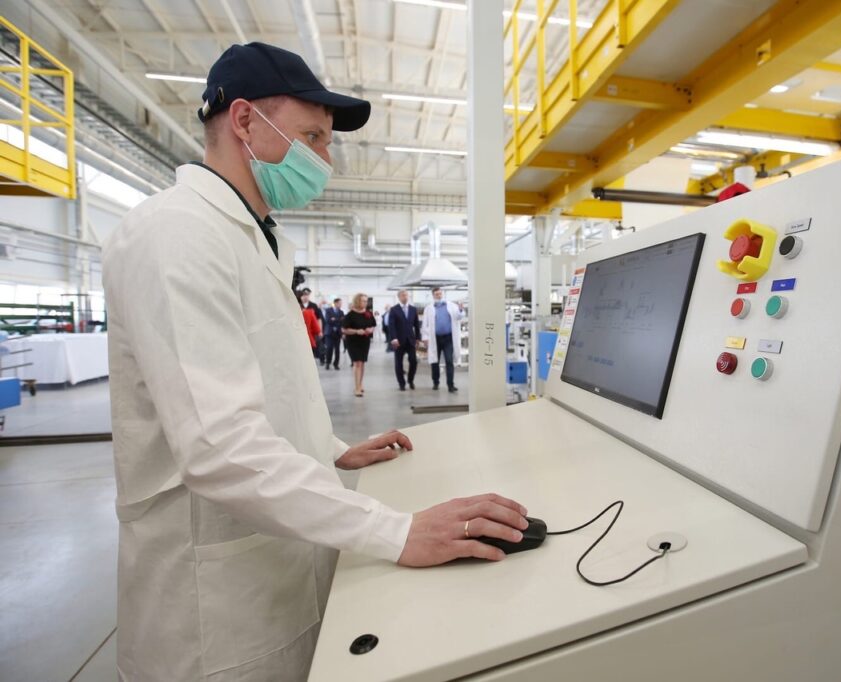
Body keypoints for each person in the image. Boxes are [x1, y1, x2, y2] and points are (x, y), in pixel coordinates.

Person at [101, 42, 527, 682]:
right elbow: (218, 445)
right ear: (244, 120)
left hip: (279, 561)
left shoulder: (258, 237)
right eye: (313, 137)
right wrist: (397, 531)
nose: (324, 159)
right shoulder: (176, 235)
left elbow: (260, 385)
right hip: (212, 612)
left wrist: (329, 448)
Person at [422, 286, 463, 392]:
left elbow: (459, 317)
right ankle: (436, 382)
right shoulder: (429, 308)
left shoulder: (451, 306)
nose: (439, 296)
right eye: (436, 294)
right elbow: (425, 324)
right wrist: (425, 337)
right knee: (434, 361)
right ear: (433, 296)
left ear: (442, 294)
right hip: (435, 339)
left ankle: (450, 385)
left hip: (448, 338)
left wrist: (460, 309)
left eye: (440, 294)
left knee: (449, 361)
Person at [342, 293, 376, 397]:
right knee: (357, 363)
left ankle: (360, 384)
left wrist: (370, 330)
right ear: (357, 301)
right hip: (353, 342)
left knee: (362, 363)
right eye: (363, 301)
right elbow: (344, 329)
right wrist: (356, 331)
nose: (366, 303)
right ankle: (357, 388)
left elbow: (373, 325)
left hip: (364, 341)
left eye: (366, 301)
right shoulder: (350, 315)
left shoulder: (368, 313)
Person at [387, 289, 420, 391]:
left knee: (413, 361)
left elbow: (416, 325)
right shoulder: (394, 310)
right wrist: (394, 338)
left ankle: (410, 380)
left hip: (410, 340)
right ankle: (401, 383)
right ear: (399, 297)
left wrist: (418, 338)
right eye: (403, 295)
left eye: (406, 295)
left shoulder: (413, 309)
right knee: (398, 363)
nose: (405, 297)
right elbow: (391, 326)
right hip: (398, 341)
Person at [323, 297, 344, 370]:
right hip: (329, 333)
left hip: (337, 334)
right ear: (335, 303)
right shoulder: (328, 310)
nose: (340, 305)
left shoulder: (341, 312)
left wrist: (334, 319)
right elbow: (328, 320)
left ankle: (336, 364)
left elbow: (342, 321)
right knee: (329, 348)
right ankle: (328, 363)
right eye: (339, 303)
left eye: (341, 303)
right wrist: (338, 319)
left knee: (337, 350)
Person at [300, 292, 321, 357]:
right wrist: (319, 331)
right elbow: (316, 328)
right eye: (303, 295)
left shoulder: (313, 305)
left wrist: (320, 331)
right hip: (309, 337)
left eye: (306, 295)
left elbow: (319, 318)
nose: (305, 297)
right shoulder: (310, 311)